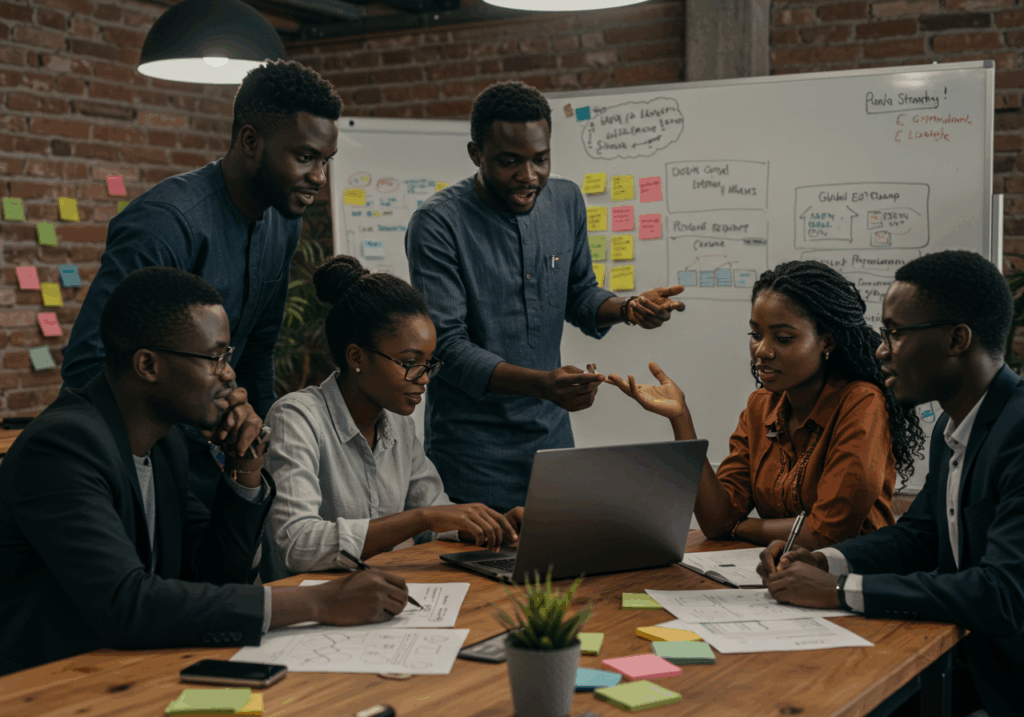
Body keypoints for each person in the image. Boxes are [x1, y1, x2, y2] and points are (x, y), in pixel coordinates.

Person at [0, 268, 408, 675]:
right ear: (148, 365)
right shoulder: (63, 447)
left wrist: (245, 467)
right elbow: (126, 603)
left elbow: (214, 576)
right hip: (48, 686)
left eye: (227, 357)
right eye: (215, 358)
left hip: (134, 670)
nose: (229, 374)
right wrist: (319, 602)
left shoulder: (166, 445)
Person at [61, 60, 342, 508]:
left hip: (219, 464)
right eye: (305, 157)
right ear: (251, 141)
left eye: (325, 161)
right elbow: (90, 365)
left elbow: (258, 350)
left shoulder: (284, 223)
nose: (319, 178)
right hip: (141, 469)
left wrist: (261, 448)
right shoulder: (166, 224)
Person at [757, 250, 1023, 717]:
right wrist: (824, 560)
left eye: (895, 334)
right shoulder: (953, 427)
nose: (881, 350)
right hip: (965, 663)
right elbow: (920, 535)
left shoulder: (1018, 431)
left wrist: (840, 591)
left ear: (957, 339)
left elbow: (1001, 593)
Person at [405, 80, 686, 512]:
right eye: (509, 162)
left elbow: (580, 293)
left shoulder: (567, 200)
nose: (529, 176)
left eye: (541, 159)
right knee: (485, 574)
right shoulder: (437, 223)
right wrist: (541, 384)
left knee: (558, 575)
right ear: (475, 154)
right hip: (472, 453)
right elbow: (446, 346)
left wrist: (629, 309)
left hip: (552, 442)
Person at [608, 260, 922, 548]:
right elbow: (718, 520)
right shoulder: (761, 406)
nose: (762, 351)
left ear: (827, 341)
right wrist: (681, 418)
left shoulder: (861, 402)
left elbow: (827, 533)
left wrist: (742, 527)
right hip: (776, 577)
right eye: (756, 334)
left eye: (783, 339)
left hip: (850, 584)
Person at [265, 256, 524, 575]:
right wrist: (421, 518)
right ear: (356, 356)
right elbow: (297, 544)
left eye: (429, 362)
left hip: (393, 597)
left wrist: (490, 527)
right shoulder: (296, 418)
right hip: (318, 607)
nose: (425, 377)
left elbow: (438, 516)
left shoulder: (398, 424)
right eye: (410, 361)